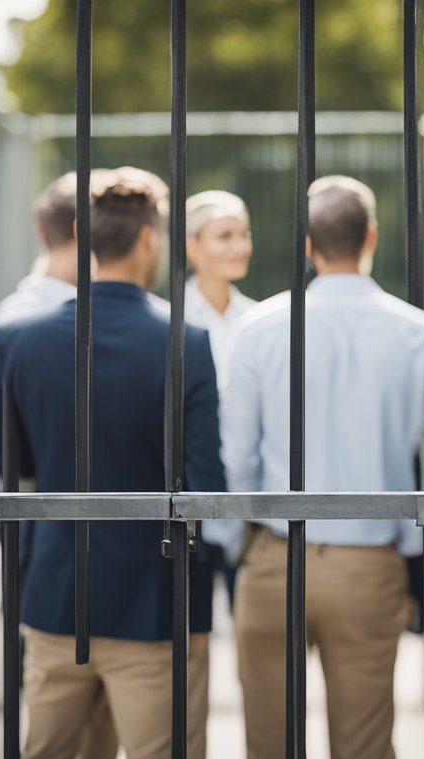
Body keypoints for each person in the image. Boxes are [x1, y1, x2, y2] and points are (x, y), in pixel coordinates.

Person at [0, 167, 224, 759]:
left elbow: (8, 464)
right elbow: (203, 485)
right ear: (150, 238)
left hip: (57, 594)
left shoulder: (18, 339)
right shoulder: (187, 343)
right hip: (153, 600)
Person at [223, 175, 424, 759]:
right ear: (372, 237)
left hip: (275, 559)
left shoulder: (260, 327)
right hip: (370, 566)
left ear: (306, 243)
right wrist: (413, 560)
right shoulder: (420, 333)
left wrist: (242, 540)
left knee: (270, 748)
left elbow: (238, 456)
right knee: (365, 752)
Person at [0, 171, 119, 759]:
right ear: (77, 236)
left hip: (60, 543)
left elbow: (2, 454)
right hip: (57, 548)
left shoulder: (20, 315)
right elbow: (8, 455)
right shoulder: (31, 321)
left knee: (91, 737)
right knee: (54, 737)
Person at [184, 190, 257, 606]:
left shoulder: (260, 322)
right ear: (193, 247)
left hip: (249, 504)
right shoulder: (170, 319)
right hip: (191, 501)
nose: (239, 245)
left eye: (244, 234)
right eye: (224, 235)